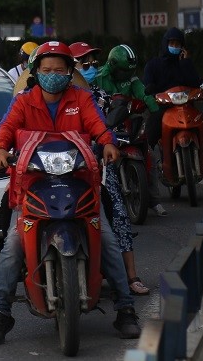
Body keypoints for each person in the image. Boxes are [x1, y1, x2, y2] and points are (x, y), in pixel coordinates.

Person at [0, 41, 141, 346]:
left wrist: (107, 142)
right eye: (46, 70)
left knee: (108, 239)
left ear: (69, 72)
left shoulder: (81, 99)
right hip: (31, 186)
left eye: (59, 70)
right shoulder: (23, 102)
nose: (52, 75)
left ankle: (125, 308)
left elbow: (98, 126)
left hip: (81, 185)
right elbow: (4, 131)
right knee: (12, 247)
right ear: (36, 73)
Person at [71, 42, 153, 295]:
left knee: (117, 213)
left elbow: (106, 128)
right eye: (84, 63)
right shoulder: (42, 100)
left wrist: (107, 142)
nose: (91, 67)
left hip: (96, 170)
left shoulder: (95, 98)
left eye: (94, 62)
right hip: (58, 173)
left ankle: (130, 277)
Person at [95, 44, 166, 219]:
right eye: (122, 71)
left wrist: (156, 111)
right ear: (112, 66)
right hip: (106, 125)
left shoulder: (132, 79)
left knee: (150, 155)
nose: (126, 75)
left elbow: (144, 94)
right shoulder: (98, 78)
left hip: (129, 122)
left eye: (129, 71)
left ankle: (154, 200)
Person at [142, 27, 203, 177]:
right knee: (150, 130)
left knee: (201, 123)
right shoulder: (153, 64)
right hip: (163, 108)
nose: (175, 47)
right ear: (165, 44)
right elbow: (147, 84)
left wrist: (187, 62)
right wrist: (151, 90)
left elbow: (195, 83)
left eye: (178, 44)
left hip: (186, 106)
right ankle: (149, 164)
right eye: (172, 43)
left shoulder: (184, 64)